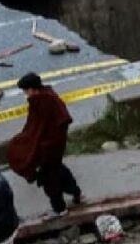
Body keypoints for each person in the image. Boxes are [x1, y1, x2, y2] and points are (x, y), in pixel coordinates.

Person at [6, 73, 82, 218]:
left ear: (33, 89)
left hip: (49, 148)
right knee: (60, 171)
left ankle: (60, 209)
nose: (25, 95)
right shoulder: (42, 99)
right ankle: (75, 192)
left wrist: (43, 146)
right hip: (50, 147)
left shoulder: (46, 101)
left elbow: (59, 123)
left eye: (26, 91)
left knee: (50, 180)